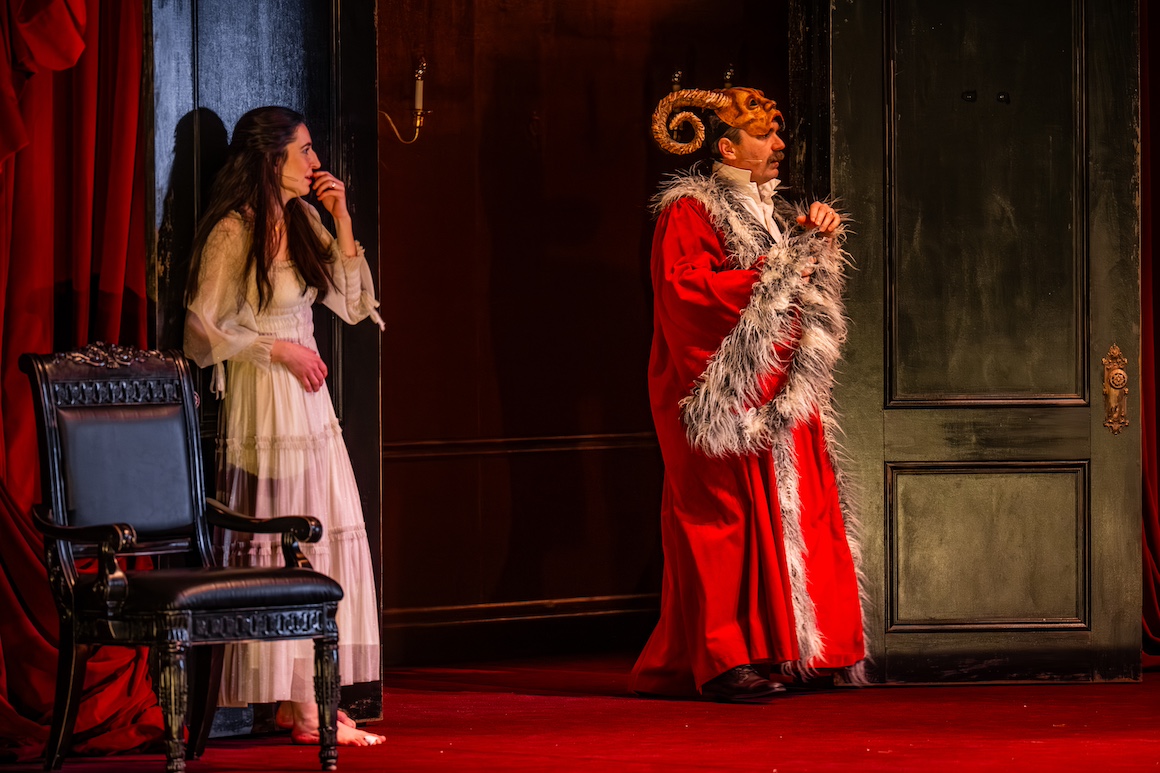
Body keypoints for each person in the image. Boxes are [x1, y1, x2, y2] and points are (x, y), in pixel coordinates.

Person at [630, 87, 867, 702]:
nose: (779, 144)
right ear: (728, 148)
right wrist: (783, 267)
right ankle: (724, 658)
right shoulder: (690, 210)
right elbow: (687, 293)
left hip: (780, 389)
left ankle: (806, 650)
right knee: (724, 520)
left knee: (796, 508)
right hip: (718, 391)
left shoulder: (773, 212)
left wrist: (813, 241)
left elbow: (799, 294)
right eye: (764, 135)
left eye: (777, 132)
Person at [184, 106, 385, 745]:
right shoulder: (234, 230)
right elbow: (202, 330)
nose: (315, 162)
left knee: (320, 531)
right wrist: (277, 350)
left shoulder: (302, 220)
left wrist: (342, 219)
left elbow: (350, 304)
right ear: (272, 159)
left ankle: (307, 698)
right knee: (286, 534)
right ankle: (302, 708)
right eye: (304, 150)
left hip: (309, 402)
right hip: (266, 394)